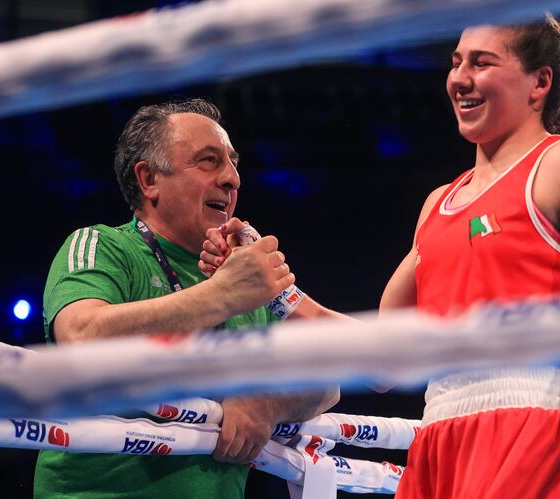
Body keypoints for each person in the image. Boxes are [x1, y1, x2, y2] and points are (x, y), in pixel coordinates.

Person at [375, 17, 560, 498]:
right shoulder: (438, 204)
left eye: (482, 62)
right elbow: (381, 361)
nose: (460, 77)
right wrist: (278, 291)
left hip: (528, 434)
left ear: (539, 82)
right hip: (436, 442)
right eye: (455, 62)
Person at [38, 98, 340, 498]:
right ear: (148, 180)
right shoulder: (103, 246)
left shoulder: (244, 272)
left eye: (233, 162)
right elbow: (80, 334)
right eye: (208, 161)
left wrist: (269, 402)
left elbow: (330, 378)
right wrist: (221, 295)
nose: (232, 178)